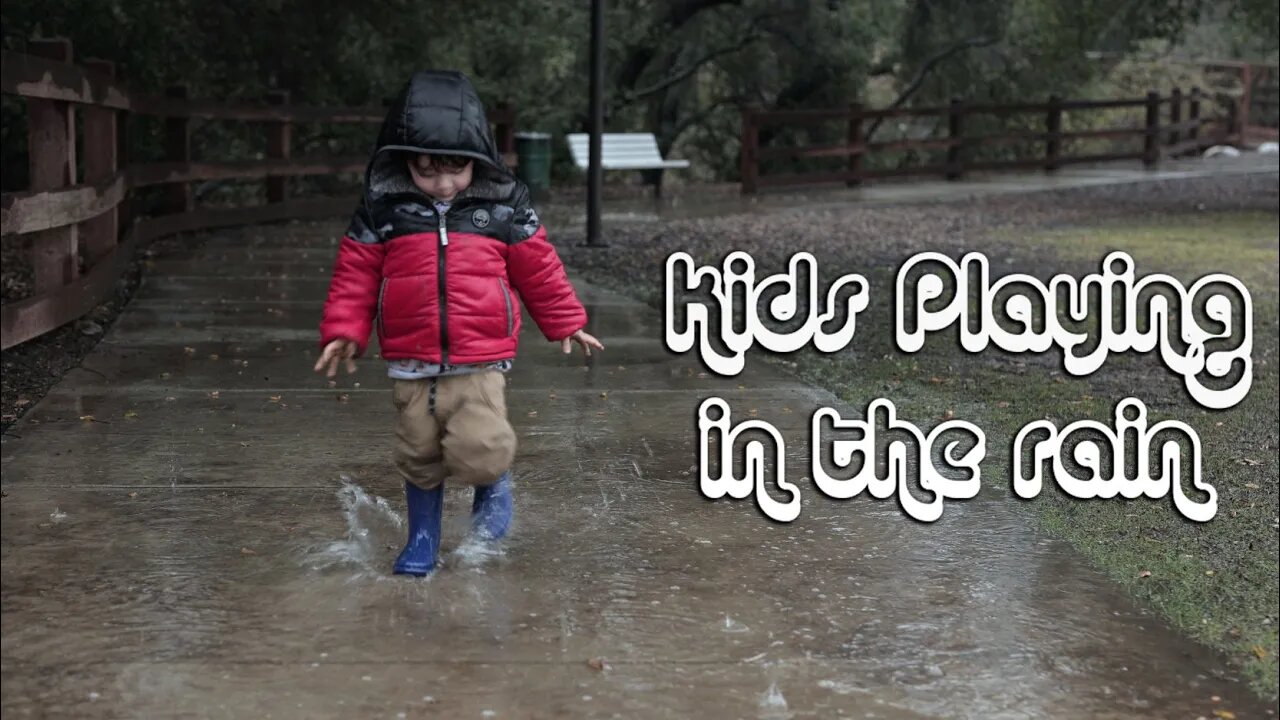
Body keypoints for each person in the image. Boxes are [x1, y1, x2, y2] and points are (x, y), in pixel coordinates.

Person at [314, 70, 603, 576]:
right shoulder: (385, 209)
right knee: (418, 451)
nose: (444, 183)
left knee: (481, 446)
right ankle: (423, 537)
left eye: (456, 170)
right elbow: (355, 270)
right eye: (428, 173)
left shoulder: (502, 207)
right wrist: (345, 329)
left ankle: (494, 485)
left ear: (479, 160)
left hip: (480, 355)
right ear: (404, 162)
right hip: (410, 356)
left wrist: (566, 321)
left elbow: (538, 266)